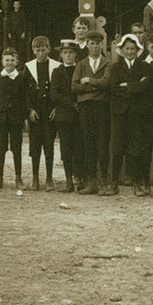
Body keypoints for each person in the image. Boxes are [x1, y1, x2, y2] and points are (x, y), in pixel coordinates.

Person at [108, 33, 151, 196]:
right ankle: (114, 184)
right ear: (122, 50)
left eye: (133, 49)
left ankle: (136, 184)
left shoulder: (144, 67)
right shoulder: (115, 67)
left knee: (136, 149)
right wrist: (135, 88)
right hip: (120, 113)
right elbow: (114, 88)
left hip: (137, 113)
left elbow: (146, 86)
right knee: (117, 148)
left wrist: (128, 86)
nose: (130, 52)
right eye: (127, 48)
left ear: (137, 50)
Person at [74, 31, 112, 195]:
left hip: (102, 108)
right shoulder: (81, 64)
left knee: (102, 144)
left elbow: (107, 83)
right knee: (88, 143)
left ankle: (104, 182)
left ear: (101, 45)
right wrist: (95, 89)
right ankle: (92, 182)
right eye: (92, 43)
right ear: (87, 44)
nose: (95, 46)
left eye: (98, 43)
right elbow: (74, 86)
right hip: (85, 109)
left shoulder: (107, 63)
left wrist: (89, 81)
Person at [130, 32, 153, 191]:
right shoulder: (140, 64)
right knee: (143, 149)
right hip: (143, 113)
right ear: (147, 47)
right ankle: (144, 182)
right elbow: (134, 87)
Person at [0, 47, 26, 189]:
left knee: (16, 148)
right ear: (2, 62)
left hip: (16, 118)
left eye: (12, 60)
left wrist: (25, 117)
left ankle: (18, 178)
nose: (9, 63)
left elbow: (24, 99)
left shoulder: (21, 78)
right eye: (7, 60)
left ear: (17, 62)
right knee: (1, 148)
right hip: (1, 118)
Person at [23, 35, 57, 190]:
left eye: (44, 50)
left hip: (50, 110)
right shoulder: (29, 67)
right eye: (38, 50)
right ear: (33, 51)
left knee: (49, 144)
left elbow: (60, 89)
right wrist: (30, 109)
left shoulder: (56, 66)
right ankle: (35, 178)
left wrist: (57, 108)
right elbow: (25, 92)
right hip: (35, 111)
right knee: (35, 145)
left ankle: (49, 179)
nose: (41, 53)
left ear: (49, 49)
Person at [50, 39, 84, 192]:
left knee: (79, 146)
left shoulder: (80, 69)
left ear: (75, 54)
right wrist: (71, 104)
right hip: (64, 115)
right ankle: (68, 179)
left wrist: (79, 104)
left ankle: (79, 177)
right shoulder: (57, 71)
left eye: (71, 52)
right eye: (65, 53)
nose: (68, 55)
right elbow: (54, 94)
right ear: (61, 55)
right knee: (66, 148)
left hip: (79, 115)